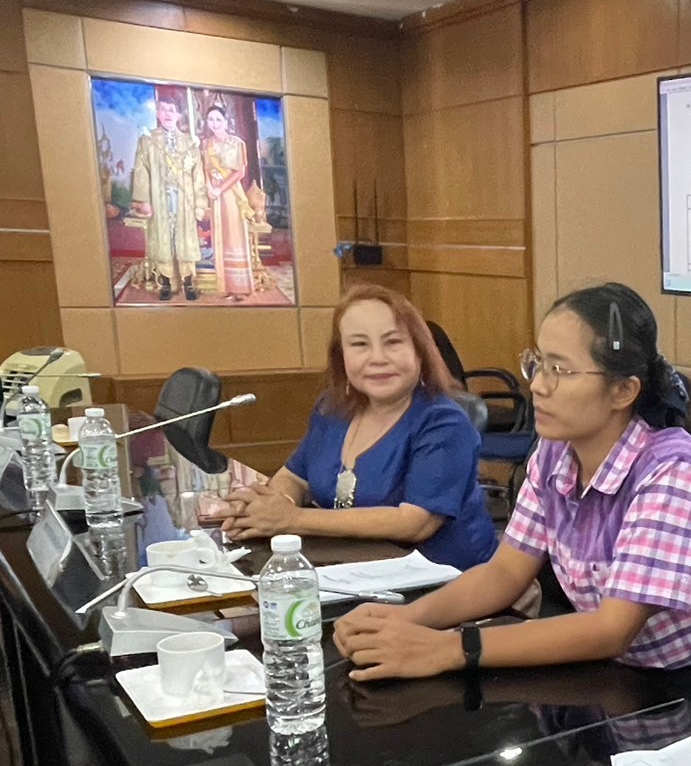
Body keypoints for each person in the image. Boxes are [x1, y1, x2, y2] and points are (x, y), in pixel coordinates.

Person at [331, 282, 691, 728]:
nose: (538, 385)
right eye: (539, 363)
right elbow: (505, 573)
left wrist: (447, 648)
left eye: (560, 369)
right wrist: (406, 621)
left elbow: (611, 629)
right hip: (613, 676)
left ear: (623, 391)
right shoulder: (555, 452)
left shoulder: (671, 470)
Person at [222, 284, 496, 570]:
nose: (378, 358)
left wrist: (292, 519)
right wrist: (268, 507)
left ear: (420, 351)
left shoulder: (444, 422)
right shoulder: (332, 408)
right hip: (351, 572)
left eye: (393, 342)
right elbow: (295, 477)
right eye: (359, 344)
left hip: (448, 585)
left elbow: (415, 522)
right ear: (341, 357)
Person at [130, 91, 206, 301]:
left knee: (185, 239)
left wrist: (200, 204)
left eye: (171, 110)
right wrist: (144, 201)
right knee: (163, 239)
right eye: (163, 110)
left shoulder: (190, 143)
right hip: (160, 199)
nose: (167, 114)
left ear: (179, 114)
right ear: (158, 113)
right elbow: (141, 170)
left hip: (184, 201)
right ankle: (166, 282)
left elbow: (198, 175)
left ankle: (188, 281)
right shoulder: (148, 141)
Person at [201, 104, 256, 300]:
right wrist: (209, 188)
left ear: (225, 121)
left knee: (234, 236)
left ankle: (240, 288)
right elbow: (205, 169)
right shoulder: (206, 144)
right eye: (210, 120)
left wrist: (219, 189)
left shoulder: (236, 143)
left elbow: (239, 172)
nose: (214, 123)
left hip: (231, 194)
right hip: (215, 196)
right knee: (220, 238)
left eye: (218, 119)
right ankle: (225, 285)